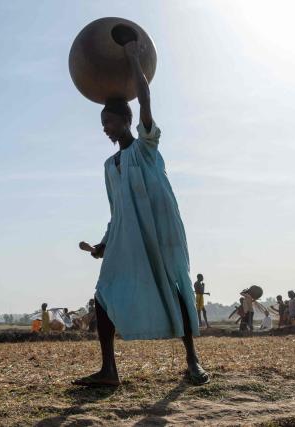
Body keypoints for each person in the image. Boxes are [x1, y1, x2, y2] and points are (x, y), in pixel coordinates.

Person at [74, 40, 209, 387]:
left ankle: (192, 361)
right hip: (127, 235)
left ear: (126, 121)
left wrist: (134, 60)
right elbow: (117, 210)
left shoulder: (146, 148)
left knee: (175, 287)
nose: (104, 127)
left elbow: (145, 99)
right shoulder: (110, 165)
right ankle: (109, 371)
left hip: (161, 230)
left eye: (109, 120)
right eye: (102, 122)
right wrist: (104, 244)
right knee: (103, 293)